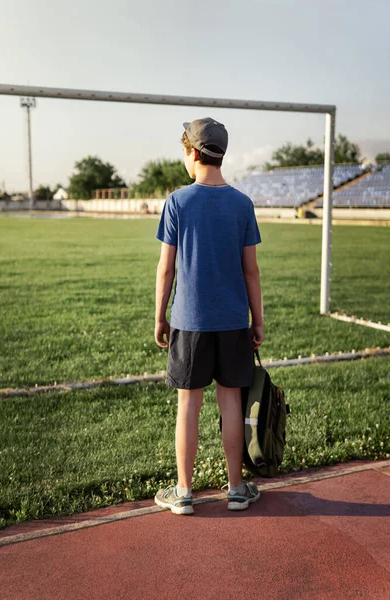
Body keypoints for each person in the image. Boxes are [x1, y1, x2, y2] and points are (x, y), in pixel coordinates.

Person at [153, 118, 264, 515]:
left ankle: (183, 491)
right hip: (233, 321)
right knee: (230, 402)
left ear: (192, 153)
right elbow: (251, 270)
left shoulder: (177, 202)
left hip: (189, 321)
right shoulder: (242, 203)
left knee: (189, 404)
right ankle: (236, 488)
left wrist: (159, 316)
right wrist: (258, 321)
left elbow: (166, 269)